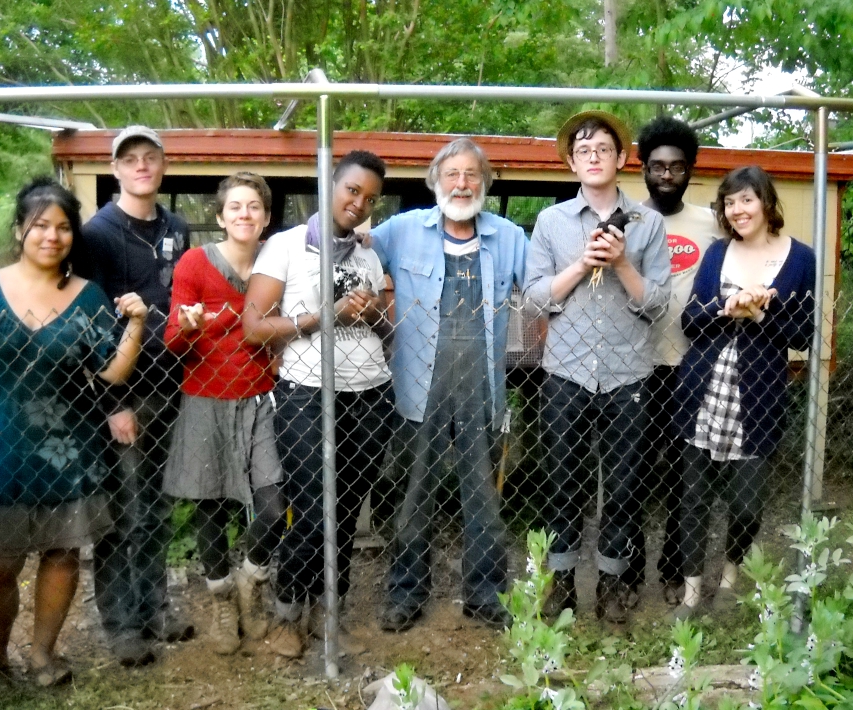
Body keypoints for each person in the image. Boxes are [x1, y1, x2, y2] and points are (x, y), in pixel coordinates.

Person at [0, 177, 148, 686]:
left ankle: (42, 657)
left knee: (61, 554)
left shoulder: (88, 296)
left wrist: (136, 327)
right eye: (40, 226)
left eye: (62, 228)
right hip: (3, 446)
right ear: (19, 230)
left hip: (71, 449)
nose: (52, 237)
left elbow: (113, 374)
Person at [370, 137, 529, 632]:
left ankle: (484, 594)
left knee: (482, 494)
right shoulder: (400, 231)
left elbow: (543, 289)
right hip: (418, 384)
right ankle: (406, 592)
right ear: (436, 181)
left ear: (484, 182)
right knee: (412, 492)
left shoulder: (508, 237)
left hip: (482, 384)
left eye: (472, 175)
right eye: (452, 174)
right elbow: (346, 246)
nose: (462, 184)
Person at [243, 150, 395, 658]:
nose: (359, 203)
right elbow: (253, 328)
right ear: (331, 185)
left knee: (348, 509)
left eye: (370, 198)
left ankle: (330, 610)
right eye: (352, 190)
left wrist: (373, 312)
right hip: (307, 393)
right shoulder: (286, 246)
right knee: (311, 508)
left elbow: (390, 331)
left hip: (370, 393)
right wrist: (320, 317)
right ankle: (287, 610)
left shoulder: (370, 255)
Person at [523, 111, 671, 624]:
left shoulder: (648, 224)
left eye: (603, 149)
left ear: (621, 158)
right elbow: (535, 300)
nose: (593, 156)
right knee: (562, 482)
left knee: (625, 486)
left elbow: (657, 304)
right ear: (571, 162)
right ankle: (561, 583)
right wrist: (582, 265)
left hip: (628, 372)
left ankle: (610, 584)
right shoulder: (552, 222)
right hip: (565, 371)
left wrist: (624, 263)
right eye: (583, 150)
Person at [669, 166, 815, 620]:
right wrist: (725, 308)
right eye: (730, 202)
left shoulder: (800, 258)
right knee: (692, 498)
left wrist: (758, 317)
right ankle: (693, 593)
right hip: (702, 392)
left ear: (766, 203)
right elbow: (690, 322)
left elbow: (804, 334)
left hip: (759, 396)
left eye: (746, 200)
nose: (737, 210)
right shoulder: (716, 253)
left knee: (747, 505)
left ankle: (730, 577)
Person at [78, 126, 192, 666]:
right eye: (131, 159)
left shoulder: (176, 227)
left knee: (159, 509)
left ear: (162, 166)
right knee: (126, 511)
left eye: (151, 158)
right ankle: (122, 624)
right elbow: (91, 322)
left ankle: (155, 606)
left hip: (172, 386)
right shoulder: (98, 234)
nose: (142, 166)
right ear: (116, 169)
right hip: (125, 392)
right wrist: (111, 404)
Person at [163, 173, 286, 654]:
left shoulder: (275, 264)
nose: (244, 214)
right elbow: (172, 342)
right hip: (205, 400)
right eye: (235, 206)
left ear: (267, 217)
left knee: (274, 504)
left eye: (254, 206)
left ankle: (250, 583)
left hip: (260, 399)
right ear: (219, 216)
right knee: (210, 506)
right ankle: (221, 602)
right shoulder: (196, 262)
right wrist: (188, 325)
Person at [625, 116, 721, 606]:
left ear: (690, 170)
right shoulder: (630, 220)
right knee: (635, 474)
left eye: (676, 167)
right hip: (639, 365)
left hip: (694, 364)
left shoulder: (710, 222)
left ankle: (674, 570)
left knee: (688, 476)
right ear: (643, 168)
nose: (666, 175)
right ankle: (629, 572)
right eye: (657, 166)